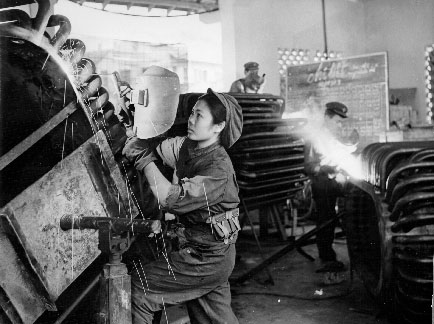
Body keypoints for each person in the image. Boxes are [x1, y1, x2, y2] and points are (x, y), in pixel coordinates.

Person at [122, 88, 243, 324]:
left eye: (200, 116)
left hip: (207, 257)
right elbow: (157, 147)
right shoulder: (188, 147)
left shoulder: (218, 168)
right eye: (192, 113)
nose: (191, 120)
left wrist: (144, 160)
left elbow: (170, 198)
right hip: (209, 252)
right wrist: (135, 131)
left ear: (218, 126)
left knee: (138, 289)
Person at [304, 101, 348, 273]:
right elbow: (308, 166)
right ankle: (326, 257)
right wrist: (323, 169)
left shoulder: (331, 137)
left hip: (332, 182)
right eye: (337, 121)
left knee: (332, 218)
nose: (339, 125)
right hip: (320, 183)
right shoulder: (314, 137)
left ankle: (328, 254)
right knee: (326, 219)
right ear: (327, 117)